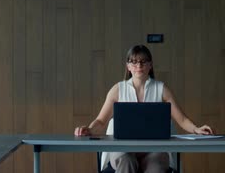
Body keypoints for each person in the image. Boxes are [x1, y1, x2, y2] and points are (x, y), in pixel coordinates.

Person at [74, 44, 215, 173]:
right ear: (128, 66)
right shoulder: (117, 89)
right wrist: (89, 130)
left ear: (150, 65)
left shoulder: (161, 89)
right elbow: (101, 121)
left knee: (156, 166)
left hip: (154, 150)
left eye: (143, 61)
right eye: (134, 62)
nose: (139, 65)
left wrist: (197, 129)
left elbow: (182, 119)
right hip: (123, 150)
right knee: (125, 160)